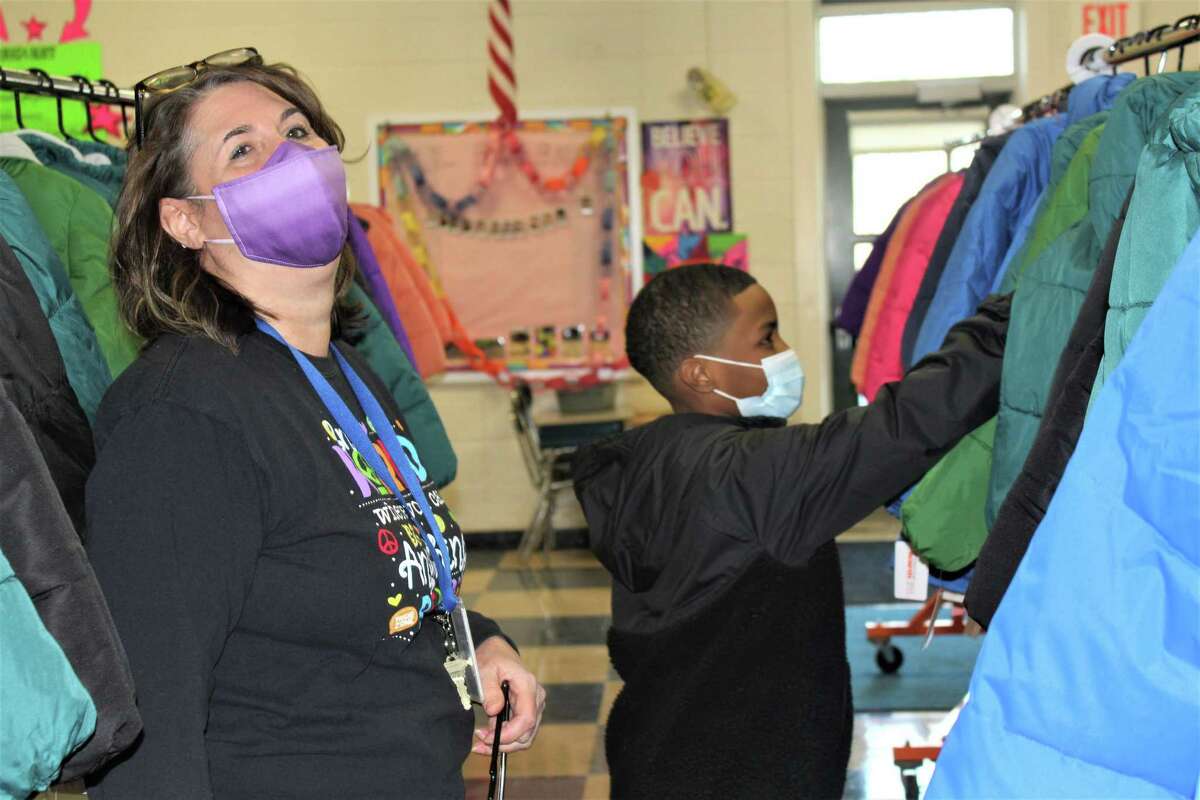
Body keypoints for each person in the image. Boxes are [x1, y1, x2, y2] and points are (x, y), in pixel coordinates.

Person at [85, 51, 544, 798]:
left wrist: (480, 642)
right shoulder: (181, 414)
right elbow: (148, 714)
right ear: (185, 220)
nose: (288, 154)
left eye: (298, 130)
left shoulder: (349, 374)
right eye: (243, 148)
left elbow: (369, 575)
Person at [573, 264, 1009, 799]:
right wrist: (1007, 319)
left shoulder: (651, 460)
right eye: (765, 337)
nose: (783, 349)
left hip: (659, 757)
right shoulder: (746, 477)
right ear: (701, 374)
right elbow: (905, 424)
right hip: (743, 776)